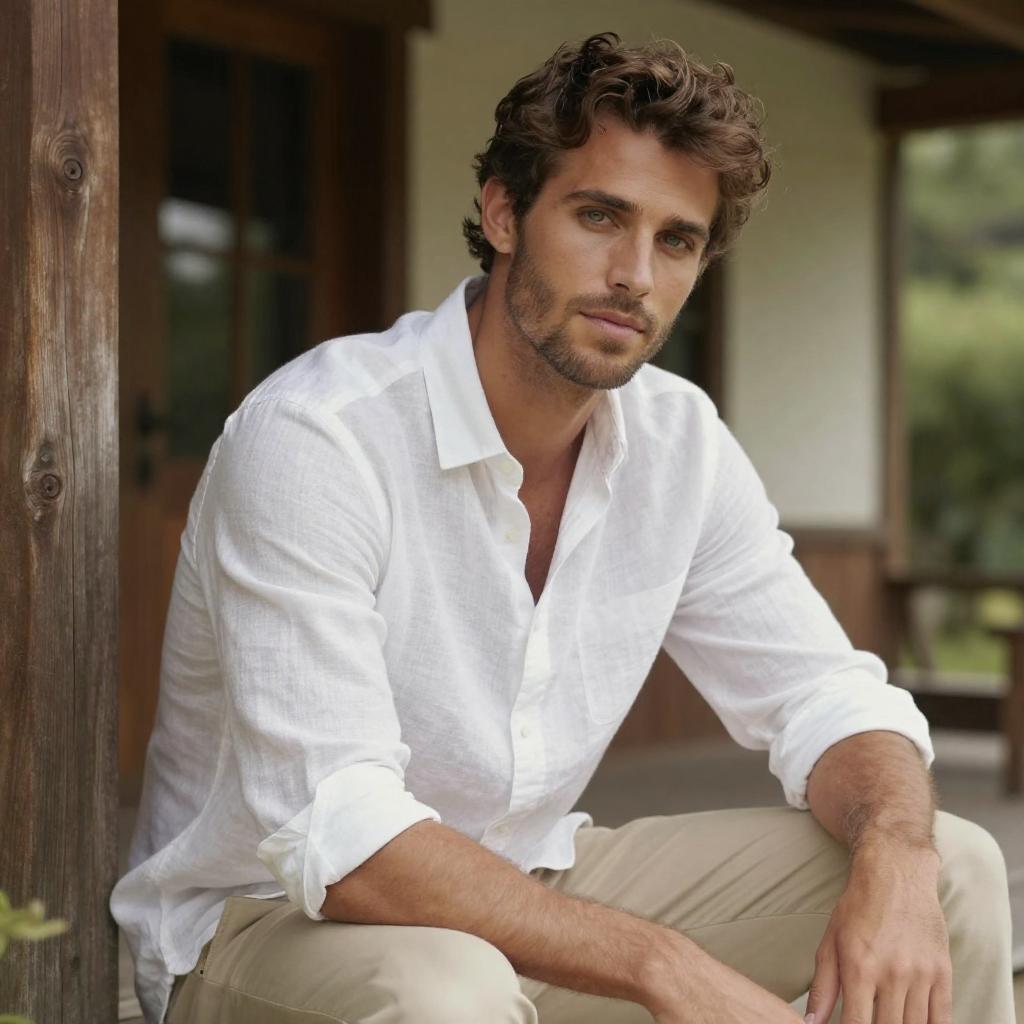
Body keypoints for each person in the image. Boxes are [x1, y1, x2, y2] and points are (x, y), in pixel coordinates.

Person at [112, 31, 1016, 1024]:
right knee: (446, 993)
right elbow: (344, 833)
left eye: (676, 240)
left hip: (528, 884)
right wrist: (665, 967)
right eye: (598, 216)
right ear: (503, 213)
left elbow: (824, 694)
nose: (635, 273)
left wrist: (893, 847)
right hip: (268, 924)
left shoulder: (679, 444)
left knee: (948, 868)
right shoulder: (319, 438)